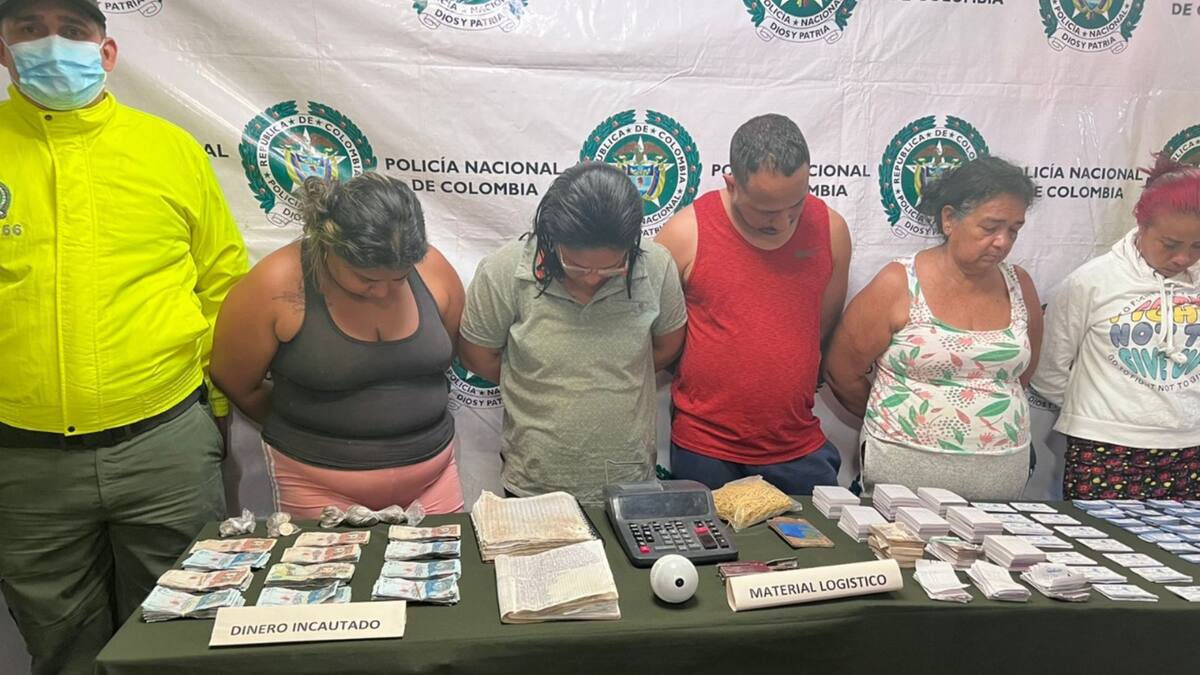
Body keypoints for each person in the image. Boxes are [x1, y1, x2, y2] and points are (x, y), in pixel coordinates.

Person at [0, 1, 249, 673]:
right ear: (3, 48)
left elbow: (223, 282)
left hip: (164, 445)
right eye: (29, 29)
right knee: (60, 645)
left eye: (74, 30)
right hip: (22, 463)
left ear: (106, 52)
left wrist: (216, 406)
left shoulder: (168, 149)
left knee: (185, 636)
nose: (52, 44)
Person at [212, 173, 465, 517]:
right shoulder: (275, 283)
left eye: (399, 278)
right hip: (316, 485)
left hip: (432, 479)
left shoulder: (433, 269)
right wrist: (319, 427)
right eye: (366, 279)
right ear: (328, 246)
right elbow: (235, 380)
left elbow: (447, 352)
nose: (383, 292)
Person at [458, 161, 687, 506]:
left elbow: (667, 346)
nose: (593, 277)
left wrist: (611, 374)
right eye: (577, 266)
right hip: (534, 481)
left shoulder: (655, 266)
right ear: (551, 238)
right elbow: (478, 355)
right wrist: (539, 380)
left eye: (611, 267)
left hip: (629, 478)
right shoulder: (504, 271)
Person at [823, 156, 1042, 500]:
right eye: (990, 227)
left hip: (1001, 483)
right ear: (949, 219)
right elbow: (841, 370)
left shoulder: (1019, 285)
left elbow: (1022, 375)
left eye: (1013, 229)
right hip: (901, 484)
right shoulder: (898, 283)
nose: (1003, 241)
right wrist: (896, 416)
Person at [655, 113, 851, 495]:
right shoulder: (685, 233)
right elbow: (660, 336)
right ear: (733, 184)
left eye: (796, 204)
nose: (783, 222)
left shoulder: (832, 230)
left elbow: (821, 326)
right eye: (766, 211)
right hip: (706, 447)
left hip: (797, 443)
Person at [1033, 155, 1200, 500]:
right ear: (1142, 226)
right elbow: (1049, 371)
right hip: (1105, 449)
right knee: (1100, 534)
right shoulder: (1091, 283)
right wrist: (1103, 409)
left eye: (1198, 246)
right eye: (1169, 245)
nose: (1183, 258)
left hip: (1190, 447)